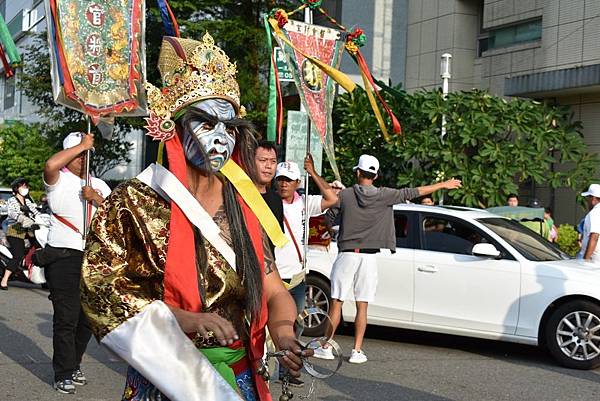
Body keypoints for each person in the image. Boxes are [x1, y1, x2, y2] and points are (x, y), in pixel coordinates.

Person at [80, 33, 310, 401]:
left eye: (229, 127)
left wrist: (284, 334)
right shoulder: (133, 203)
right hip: (166, 379)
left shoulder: (244, 207)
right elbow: (101, 289)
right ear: (174, 126)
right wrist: (182, 320)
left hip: (237, 380)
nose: (221, 139)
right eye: (206, 123)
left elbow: (274, 290)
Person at [316, 154, 461, 364]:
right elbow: (416, 191)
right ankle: (357, 350)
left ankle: (326, 346)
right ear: (375, 175)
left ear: (358, 172)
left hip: (347, 254)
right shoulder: (386, 195)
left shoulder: (346, 195)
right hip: (369, 257)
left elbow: (328, 206)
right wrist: (443, 184)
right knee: (362, 305)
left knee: (336, 303)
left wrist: (333, 229)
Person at [42, 131, 111, 394]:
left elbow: (115, 218)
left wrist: (96, 199)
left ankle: (75, 363)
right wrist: (82, 144)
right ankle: (63, 372)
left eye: (87, 154)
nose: (84, 159)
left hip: (93, 256)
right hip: (63, 255)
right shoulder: (58, 179)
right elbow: (50, 165)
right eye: (79, 154)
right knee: (66, 318)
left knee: (86, 319)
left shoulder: (100, 185)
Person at [274, 157, 337, 386]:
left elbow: (332, 198)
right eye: (280, 179)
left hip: (298, 276)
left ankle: (286, 369)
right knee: (276, 324)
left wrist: (313, 172)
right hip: (276, 277)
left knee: (297, 324)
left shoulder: (303, 202)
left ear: (297, 182)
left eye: (288, 180)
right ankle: (266, 368)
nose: (283, 184)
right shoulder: (269, 203)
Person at [1, 177, 39, 290]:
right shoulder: (12, 200)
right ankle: (4, 280)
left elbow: (35, 211)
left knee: (39, 246)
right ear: (17, 188)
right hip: (15, 230)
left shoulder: (28, 201)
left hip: (29, 230)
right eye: (22, 186)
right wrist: (21, 218)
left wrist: (43, 218)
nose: (25, 188)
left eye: (26, 186)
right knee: (18, 255)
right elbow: (12, 213)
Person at [253, 140, 284, 255]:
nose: (268, 166)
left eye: (273, 161)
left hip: (267, 266)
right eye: (263, 160)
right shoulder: (237, 195)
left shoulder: (276, 199)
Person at [577, 184, 600, 264]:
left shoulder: (595, 213)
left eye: (588, 197)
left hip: (594, 260)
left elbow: (594, 236)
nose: (587, 200)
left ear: (593, 199)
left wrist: (585, 260)